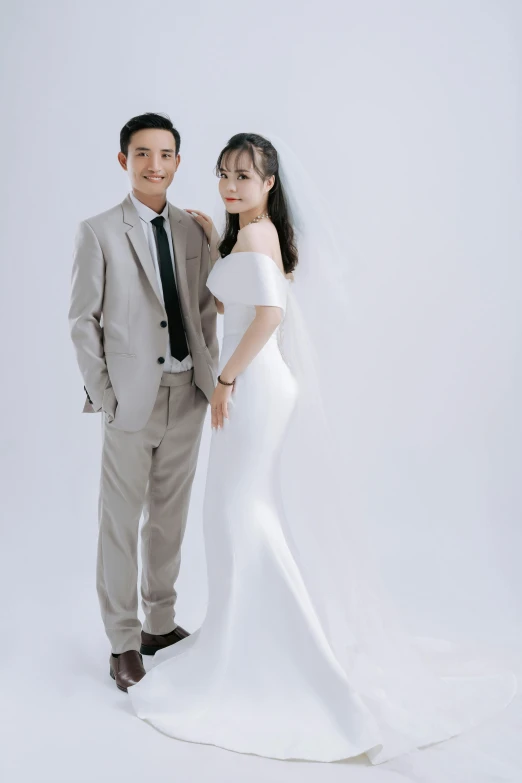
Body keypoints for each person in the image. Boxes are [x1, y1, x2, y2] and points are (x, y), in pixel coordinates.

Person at [127, 133, 517, 763]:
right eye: (224, 173)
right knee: (238, 515)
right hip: (258, 382)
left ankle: (274, 652)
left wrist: (226, 380)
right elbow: (240, 298)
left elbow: (269, 314)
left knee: (240, 515)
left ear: (269, 184)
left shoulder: (255, 236)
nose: (230, 185)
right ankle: (246, 636)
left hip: (253, 385)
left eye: (244, 177)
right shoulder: (251, 234)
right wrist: (209, 233)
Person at [68, 113, 218, 692]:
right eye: (142, 154)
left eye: (165, 154)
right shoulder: (99, 230)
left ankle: (160, 624)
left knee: (169, 519)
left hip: (187, 397)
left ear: (178, 161)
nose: (155, 165)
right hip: (129, 401)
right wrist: (104, 394)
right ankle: (123, 642)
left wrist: (209, 381)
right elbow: (83, 321)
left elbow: (203, 309)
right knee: (119, 522)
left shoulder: (193, 230)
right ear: (124, 161)